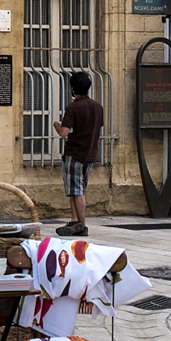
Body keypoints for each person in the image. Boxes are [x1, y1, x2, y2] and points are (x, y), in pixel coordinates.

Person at [52, 71, 103, 237]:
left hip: (75, 153)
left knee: (77, 190)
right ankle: (75, 220)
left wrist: (56, 125)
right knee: (76, 189)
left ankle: (81, 224)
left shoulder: (73, 107)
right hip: (90, 153)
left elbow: (64, 133)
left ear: (73, 89)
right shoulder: (97, 107)